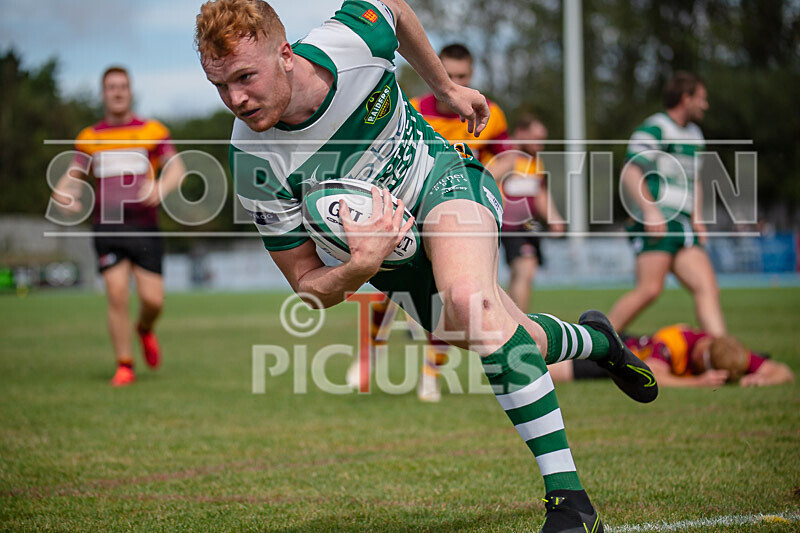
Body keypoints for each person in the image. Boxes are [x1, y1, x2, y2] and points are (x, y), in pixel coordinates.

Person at [196, 1, 658, 529]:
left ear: (284, 54)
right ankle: (602, 342)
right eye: (220, 86)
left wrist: (444, 88)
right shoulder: (253, 162)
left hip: (442, 179)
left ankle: (570, 501)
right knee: (514, 338)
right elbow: (306, 284)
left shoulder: (348, 43)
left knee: (472, 304)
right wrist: (358, 267)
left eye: (244, 77)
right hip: (390, 262)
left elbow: (392, 8)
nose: (236, 99)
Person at [347, 43, 516, 403]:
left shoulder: (490, 113)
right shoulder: (413, 108)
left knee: (448, 297)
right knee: (385, 288)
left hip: (461, 214)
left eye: (462, 77)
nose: (456, 82)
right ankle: (370, 352)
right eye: (450, 75)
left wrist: (478, 178)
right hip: (411, 207)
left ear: (471, 76)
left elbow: (507, 158)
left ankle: (430, 375)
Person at [50, 67, 186, 387]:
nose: (117, 92)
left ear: (130, 91)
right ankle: (124, 364)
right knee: (116, 294)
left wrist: (160, 189)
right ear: (103, 93)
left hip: (145, 229)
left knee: (153, 302)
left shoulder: (152, 131)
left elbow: (177, 169)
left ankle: (145, 329)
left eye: (123, 86)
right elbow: (71, 177)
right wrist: (62, 195)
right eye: (111, 87)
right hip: (106, 228)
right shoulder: (90, 137)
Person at [608, 72, 726, 337]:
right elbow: (630, 171)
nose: (705, 105)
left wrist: (698, 218)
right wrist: (650, 211)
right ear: (686, 99)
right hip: (657, 220)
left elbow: (694, 180)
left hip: (682, 224)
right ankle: (590, 345)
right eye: (701, 99)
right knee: (649, 290)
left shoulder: (696, 135)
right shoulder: (656, 128)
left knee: (707, 287)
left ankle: (724, 355)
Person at [549, 324, 794, 388]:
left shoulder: (727, 350)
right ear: (701, 359)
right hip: (621, 353)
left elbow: (783, 371)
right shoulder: (674, 341)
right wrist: (696, 383)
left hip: (634, 350)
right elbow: (653, 375)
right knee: (547, 368)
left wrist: (764, 379)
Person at [498, 114, 566, 312]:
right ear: (521, 133)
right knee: (525, 270)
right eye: (536, 139)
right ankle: (522, 324)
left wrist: (554, 218)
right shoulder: (504, 156)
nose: (540, 145)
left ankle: (510, 321)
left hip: (528, 225)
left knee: (523, 273)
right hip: (510, 225)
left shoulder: (535, 160)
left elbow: (539, 192)